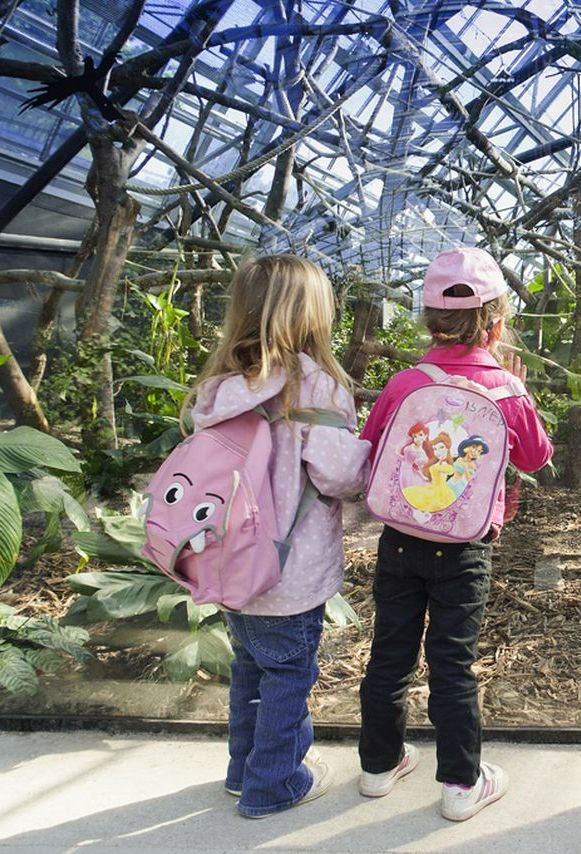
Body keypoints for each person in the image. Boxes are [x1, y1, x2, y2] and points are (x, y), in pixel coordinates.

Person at [357, 247, 553, 821]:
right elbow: (537, 457)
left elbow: (370, 451)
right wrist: (518, 393)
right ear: (497, 323)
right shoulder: (507, 388)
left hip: (398, 541)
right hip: (465, 549)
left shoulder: (405, 382)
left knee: (389, 654)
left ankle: (377, 767)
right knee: (452, 663)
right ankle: (461, 784)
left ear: (427, 319)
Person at [186, 255, 372, 818]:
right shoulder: (315, 386)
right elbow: (340, 475)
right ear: (313, 316)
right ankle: (275, 783)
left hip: (226, 564)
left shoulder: (218, 388)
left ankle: (243, 771)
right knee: (289, 676)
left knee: (249, 669)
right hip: (291, 571)